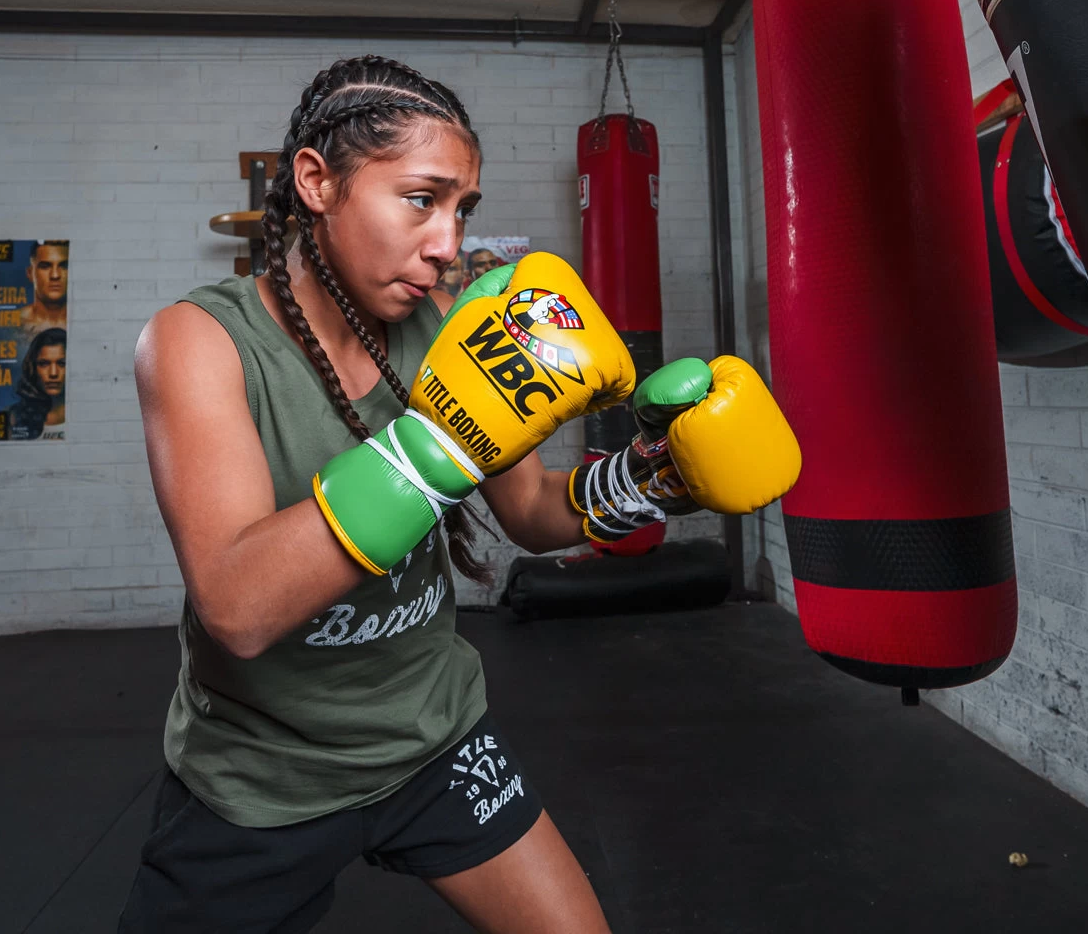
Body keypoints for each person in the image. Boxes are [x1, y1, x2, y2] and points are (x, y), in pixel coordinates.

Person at [124, 55, 799, 934]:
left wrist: (650, 478)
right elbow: (239, 604)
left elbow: (529, 514)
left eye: (461, 209)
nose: (447, 242)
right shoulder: (200, 342)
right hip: (261, 779)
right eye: (420, 198)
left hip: (434, 741)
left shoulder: (443, 329)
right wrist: (439, 444)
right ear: (317, 181)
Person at [7, 328, 66, 440]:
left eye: (62, 364)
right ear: (32, 368)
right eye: (44, 364)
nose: (53, 373)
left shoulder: (86, 414)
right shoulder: (15, 417)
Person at [20, 241, 69, 337]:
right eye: (45, 267)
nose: (55, 275)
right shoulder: (14, 324)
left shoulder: (87, 322)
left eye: (64, 266)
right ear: (30, 273)